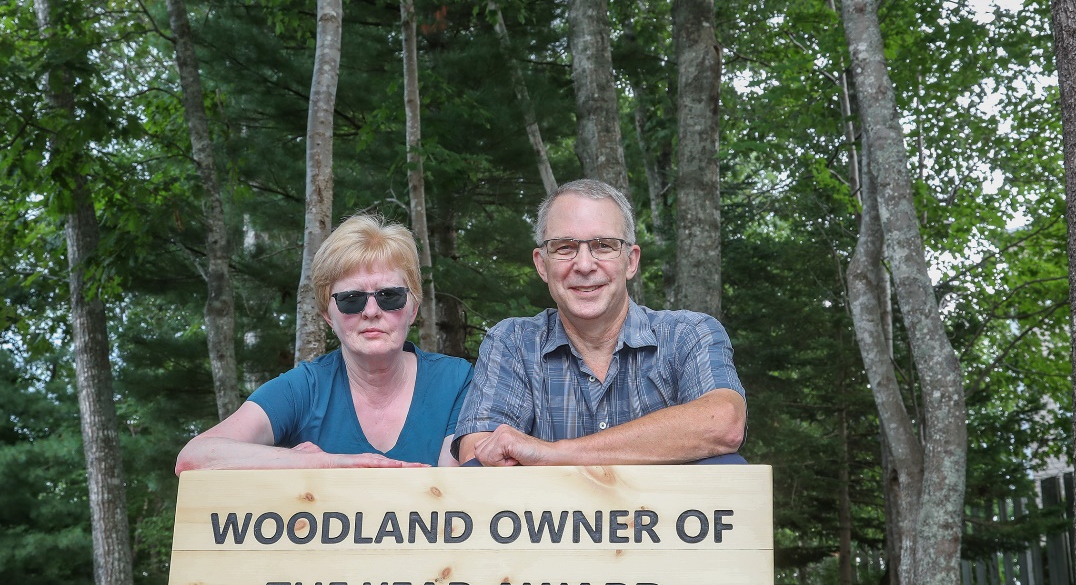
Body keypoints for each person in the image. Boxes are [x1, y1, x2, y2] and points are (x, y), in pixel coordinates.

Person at [454, 179, 746, 466]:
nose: (583, 265)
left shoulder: (688, 334)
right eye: (564, 247)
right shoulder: (513, 342)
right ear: (542, 264)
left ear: (631, 261)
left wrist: (554, 454)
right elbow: (480, 454)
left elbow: (723, 422)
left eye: (603, 245)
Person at [176, 213, 472, 472]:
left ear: (413, 307)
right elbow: (194, 456)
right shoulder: (303, 389)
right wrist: (320, 463)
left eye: (389, 296)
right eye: (351, 299)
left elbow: (454, 487)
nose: (371, 312)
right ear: (328, 315)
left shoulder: (456, 381)